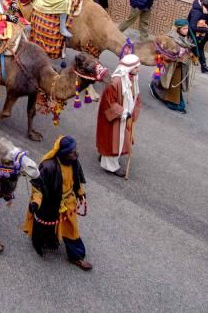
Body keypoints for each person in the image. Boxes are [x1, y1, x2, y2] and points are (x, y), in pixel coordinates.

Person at [24, 135, 91, 271]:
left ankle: (76, 256)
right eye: (72, 151)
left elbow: (77, 179)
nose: (75, 153)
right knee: (45, 227)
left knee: (71, 228)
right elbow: (38, 188)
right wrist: (36, 203)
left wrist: (80, 192)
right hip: (51, 203)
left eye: (75, 150)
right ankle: (44, 241)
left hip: (68, 202)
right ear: (63, 153)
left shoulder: (74, 161)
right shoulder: (48, 167)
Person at [96, 54, 142, 177]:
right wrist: (123, 112)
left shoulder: (132, 78)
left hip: (124, 116)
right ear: (128, 68)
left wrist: (133, 110)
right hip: (114, 117)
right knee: (112, 139)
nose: (139, 69)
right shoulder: (115, 82)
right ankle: (111, 166)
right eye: (136, 67)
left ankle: (104, 154)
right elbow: (109, 104)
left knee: (120, 139)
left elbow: (135, 95)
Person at [150, 19, 195, 114]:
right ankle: (173, 103)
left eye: (187, 28)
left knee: (169, 84)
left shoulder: (185, 38)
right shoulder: (170, 39)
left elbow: (188, 48)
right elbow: (164, 53)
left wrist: (190, 55)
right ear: (178, 29)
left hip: (180, 66)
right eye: (184, 29)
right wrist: (176, 57)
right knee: (173, 85)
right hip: (172, 66)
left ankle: (155, 88)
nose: (187, 30)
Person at [188, 0, 208, 74]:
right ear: (206, 4)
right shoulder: (197, 12)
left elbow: (207, 16)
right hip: (194, 34)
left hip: (198, 34)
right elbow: (192, 27)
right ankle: (199, 66)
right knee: (195, 50)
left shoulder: (202, 8)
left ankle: (203, 67)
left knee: (199, 49)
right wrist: (205, 30)